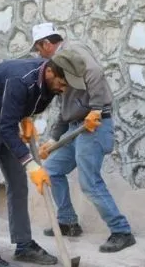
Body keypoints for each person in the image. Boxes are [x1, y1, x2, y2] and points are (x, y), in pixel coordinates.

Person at [0, 49, 87, 267]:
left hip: (4, 120)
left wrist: (26, 118)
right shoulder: (21, 80)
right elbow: (7, 129)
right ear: (50, 72)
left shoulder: (50, 86)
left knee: (18, 182)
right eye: (63, 83)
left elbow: (17, 112)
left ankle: (24, 245)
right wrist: (31, 164)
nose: (64, 90)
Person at [30, 22, 136, 253]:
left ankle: (122, 231)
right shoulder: (58, 65)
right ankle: (67, 222)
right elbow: (64, 107)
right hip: (75, 127)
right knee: (52, 171)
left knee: (89, 181)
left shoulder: (72, 51)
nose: (39, 54)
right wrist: (53, 139)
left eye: (39, 49)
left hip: (93, 125)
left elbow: (95, 73)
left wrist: (97, 108)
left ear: (47, 43)